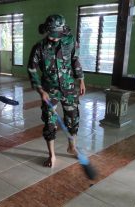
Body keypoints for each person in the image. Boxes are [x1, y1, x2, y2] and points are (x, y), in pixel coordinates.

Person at [27, 14, 86, 168]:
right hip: (49, 90)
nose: (54, 38)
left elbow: (75, 60)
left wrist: (81, 79)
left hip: (69, 88)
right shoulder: (39, 48)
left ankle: (72, 147)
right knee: (49, 123)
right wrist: (40, 90)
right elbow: (32, 69)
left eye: (57, 35)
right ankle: (51, 155)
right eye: (51, 35)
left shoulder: (71, 41)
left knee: (73, 120)